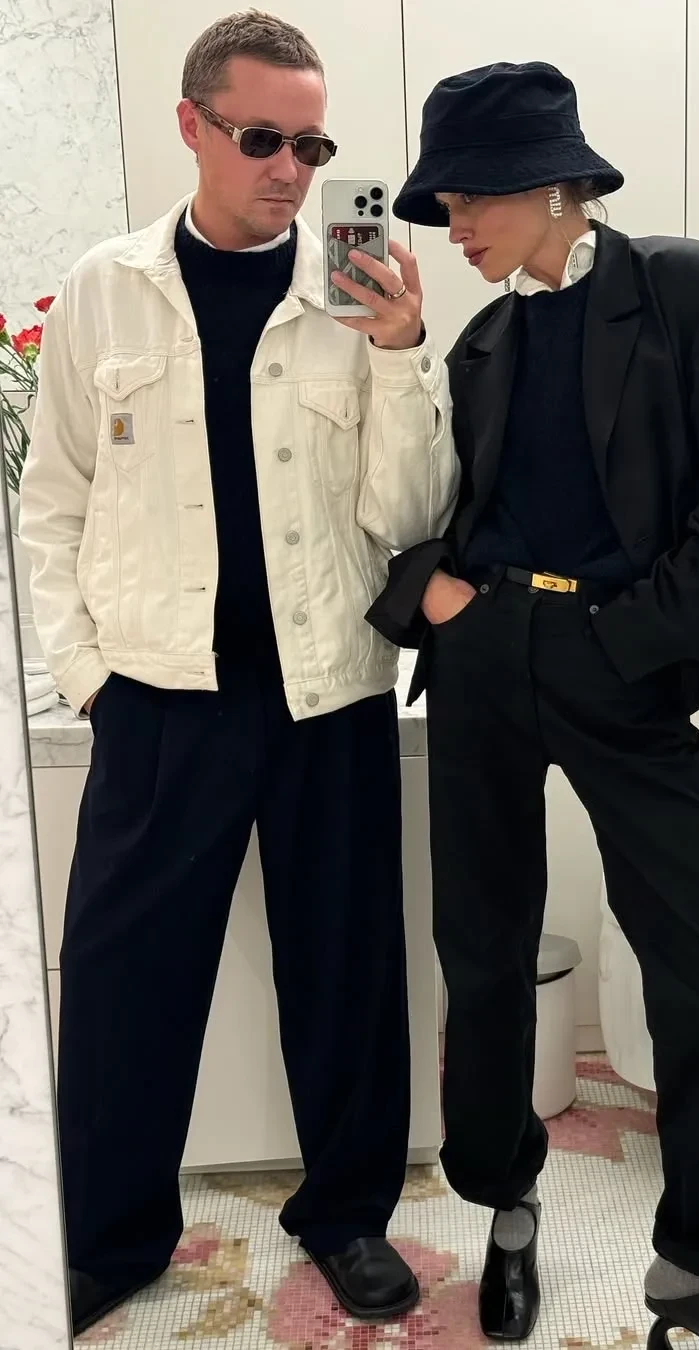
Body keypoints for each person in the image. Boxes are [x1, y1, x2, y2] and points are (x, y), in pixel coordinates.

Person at [18, 10, 456, 1338]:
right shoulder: (107, 287)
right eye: (263, 138)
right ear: (192, 126)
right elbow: (54, 500)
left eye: (311, 145)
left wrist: (401, 354)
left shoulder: (354, 292)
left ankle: (348, 1215)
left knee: (347, 970)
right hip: (158, 694)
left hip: (327, 690)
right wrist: (86, 672)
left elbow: (410, 513)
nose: (290, 169)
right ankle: (110, 1233)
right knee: (122, 978)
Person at [367, 61, 699, 1350]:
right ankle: (508, 1210)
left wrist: (632, 639)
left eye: (469, 200)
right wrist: (439, 596)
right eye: (445, 204)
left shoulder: (698, 288)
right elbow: (430, 507)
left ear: (554, 185)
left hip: (623, 657)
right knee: (483, 951)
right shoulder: (483, 341)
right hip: (487, 656)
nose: (453, 228)